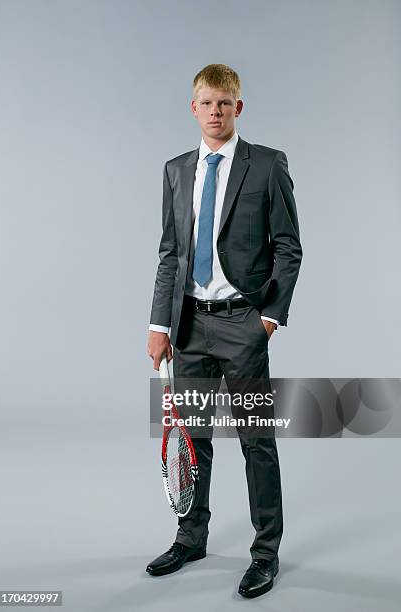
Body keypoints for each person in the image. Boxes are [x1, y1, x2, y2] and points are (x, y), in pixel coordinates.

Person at [146, 63, 302, 598]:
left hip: (243, 323)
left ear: (239, 108)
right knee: (195, 439)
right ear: (194, 108)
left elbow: (289, 247)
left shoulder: (266, 165)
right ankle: (191, 537)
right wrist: (158, 323)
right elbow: (171, 252)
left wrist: (269, 317)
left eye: (225, 103)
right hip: (187, 324)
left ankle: (266, 554)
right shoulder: (175, 170)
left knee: (257, 441)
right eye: (207, 103)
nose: (215, 112)